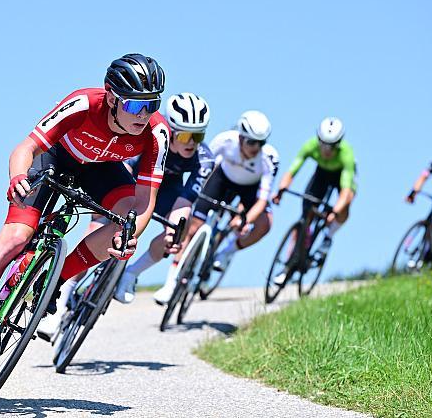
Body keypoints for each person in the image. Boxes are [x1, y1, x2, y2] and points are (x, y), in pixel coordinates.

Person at [0, 53, 170, 370]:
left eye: (152, 104)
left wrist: (129, 236)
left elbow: (144, 201)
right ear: (111, 96)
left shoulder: (157, 133)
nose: (144, 114)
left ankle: (56, 280)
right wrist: (17, 178)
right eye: (135, 105)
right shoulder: (83, 104)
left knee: (125, 222)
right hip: (55, 160)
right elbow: (25, 149)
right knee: (15, 237)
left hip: (103, 171)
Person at [153, 111, 279, 297]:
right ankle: (171, 283)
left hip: (250, 190)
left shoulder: (269, 159)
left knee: (265, 223)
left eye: (261, 143)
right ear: (241, 137)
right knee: (192, 226)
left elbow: (262, 201)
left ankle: (226, 252)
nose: (256, 148)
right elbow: (202, 163)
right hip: (221, 180)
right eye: (252, 142)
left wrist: (244, 220)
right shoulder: (225, 141)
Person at [113, 93, 215, 304]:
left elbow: (186, 201)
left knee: (178, 230)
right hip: (134, 180)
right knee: (106, 218)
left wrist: (174, 229)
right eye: (186, 136)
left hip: (168, 189)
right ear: (171, 131)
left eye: (198, 136)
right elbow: (124, 167)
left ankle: (131, 273)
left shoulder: (205, 159)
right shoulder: (153, 135)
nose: (192, 144)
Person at [272, 117, 356, 284]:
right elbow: (292, 170)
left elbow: (345, 191)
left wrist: (335, 211)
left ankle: (328, 236)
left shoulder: (346, 154)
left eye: (331, 146)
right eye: (322, 143)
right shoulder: (310, 146)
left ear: (338, 144)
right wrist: (281, 190)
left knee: (345, 205)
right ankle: (289, 264)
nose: (326, 149)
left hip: (341, 178)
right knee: (305, 218)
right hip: (321, 176)